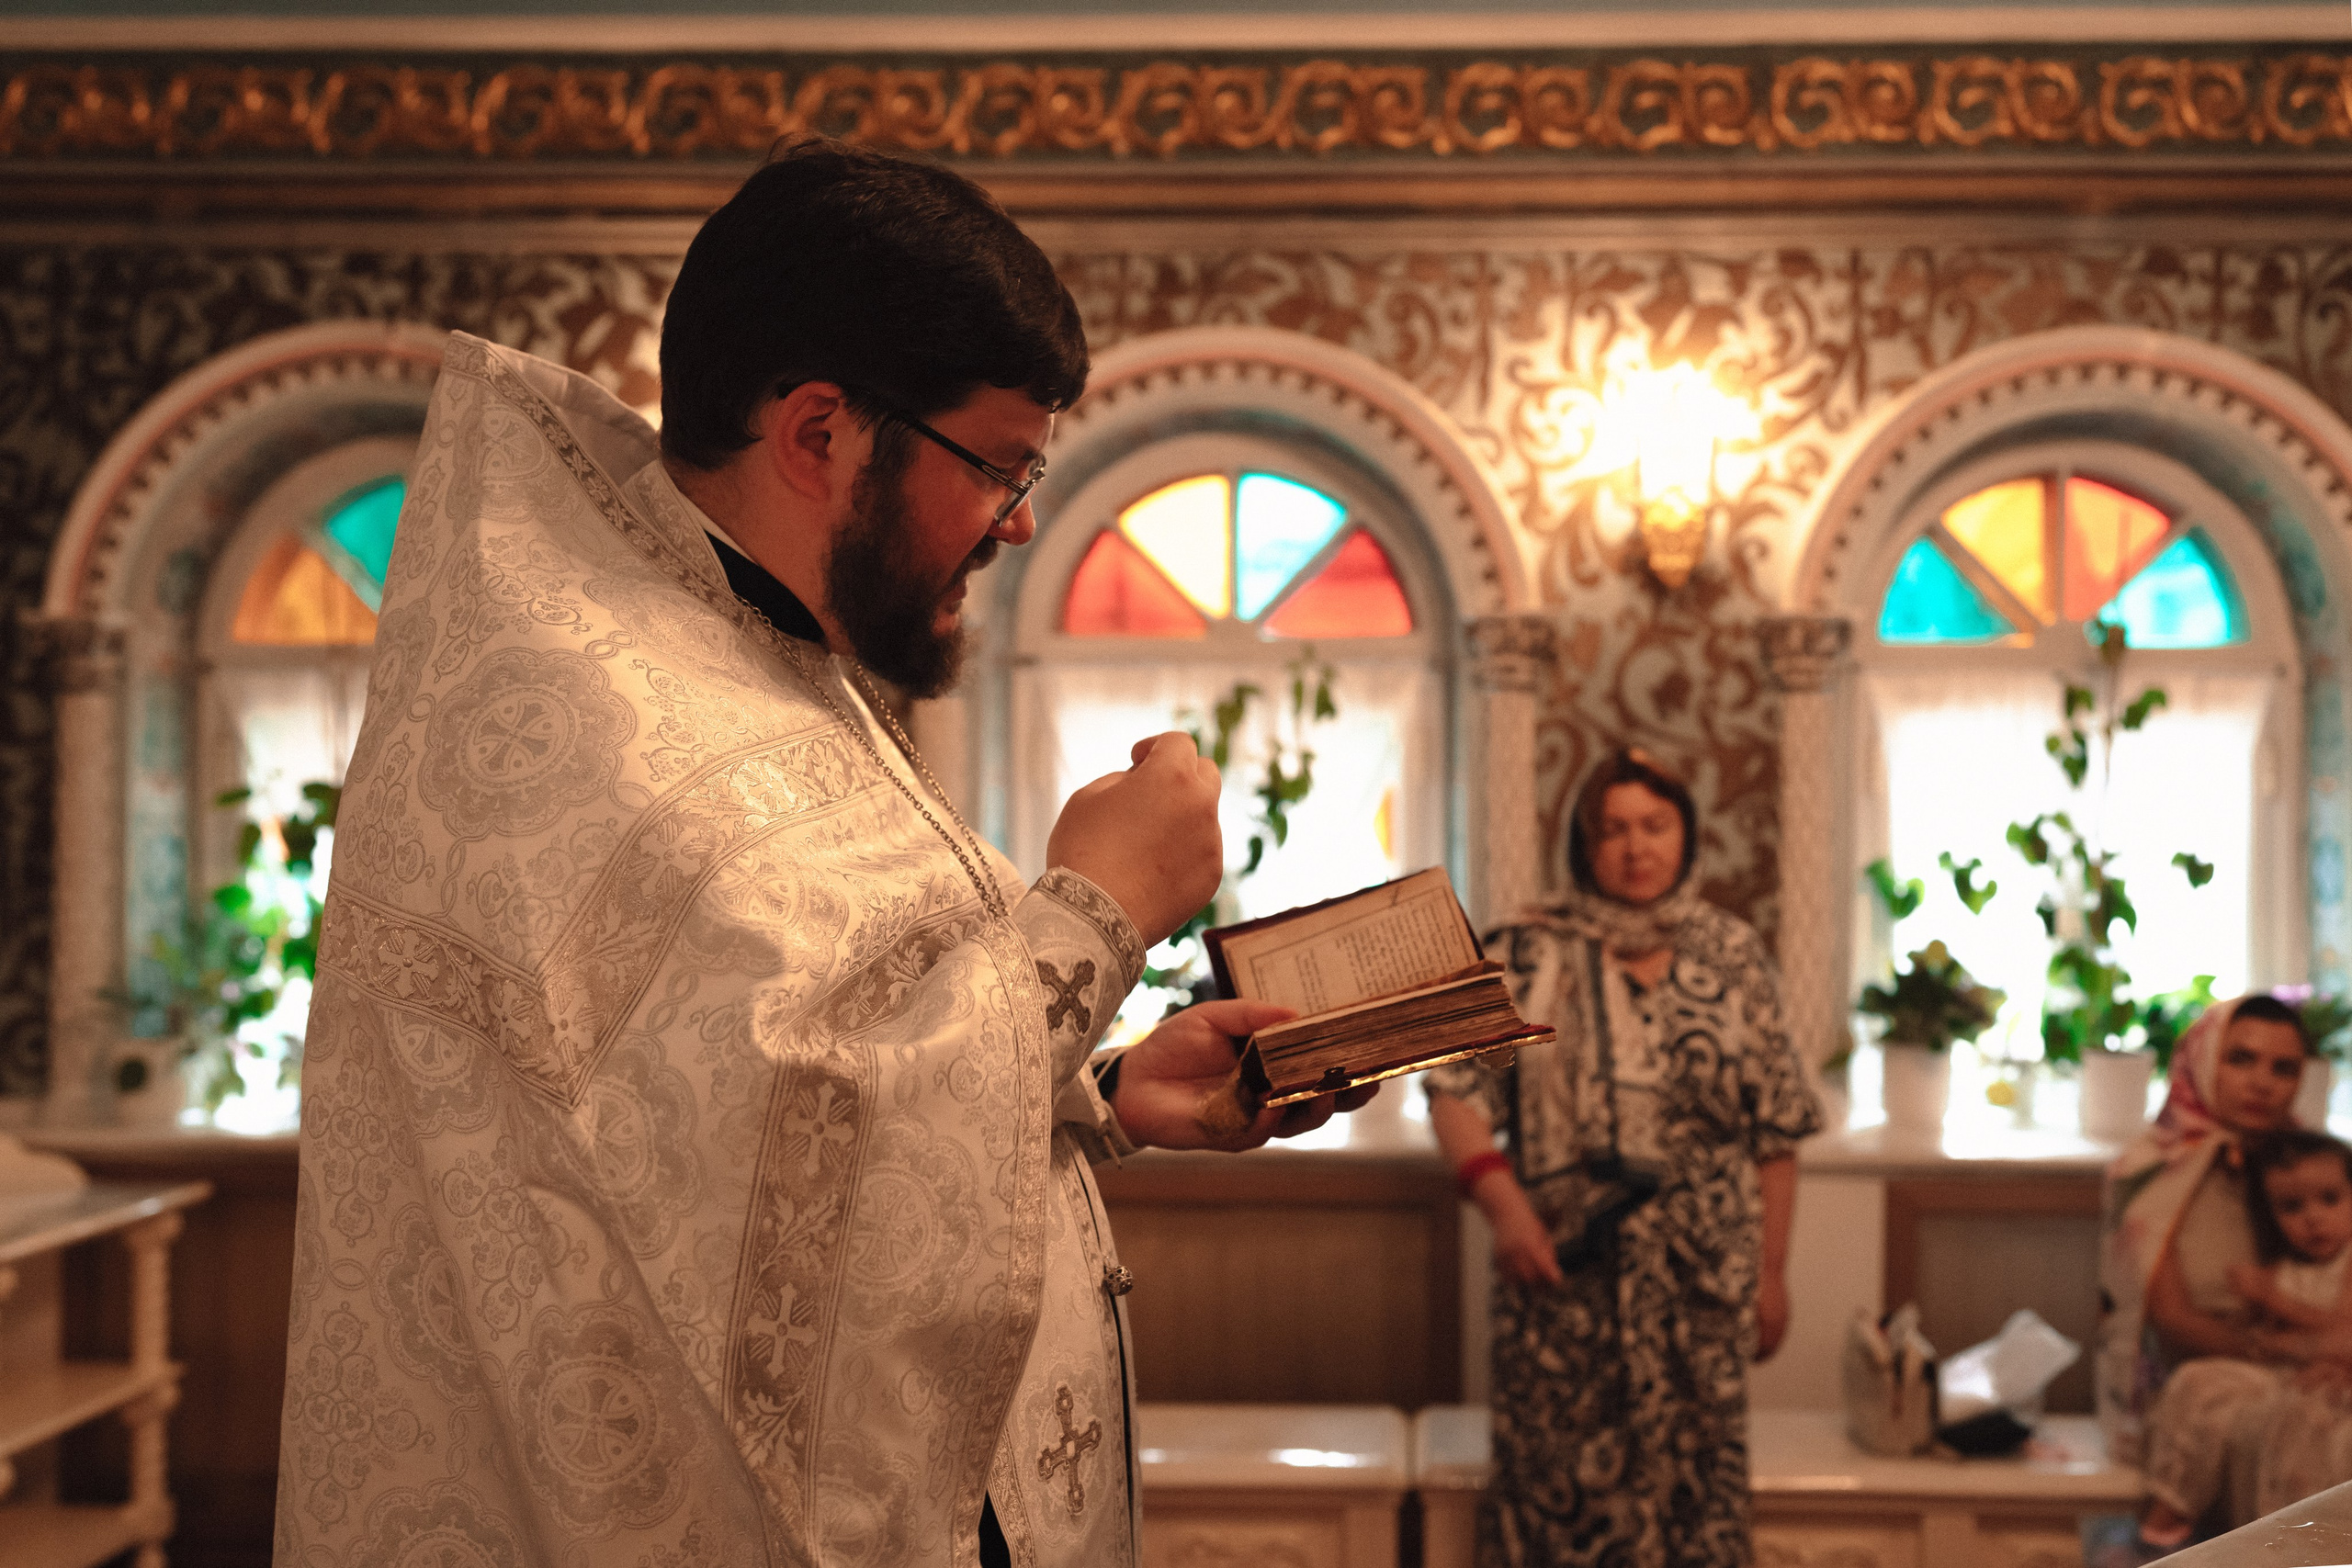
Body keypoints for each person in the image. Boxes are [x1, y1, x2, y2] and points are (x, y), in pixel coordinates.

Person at [273, 138, 1367, 1567]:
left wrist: (1097, 1086)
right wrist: (1097, 911)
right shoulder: (602, 717)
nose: (1024, 518)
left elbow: (752, 1116)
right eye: (1000, 465)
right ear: (819, 433)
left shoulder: (753, 667)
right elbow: (792, 1167)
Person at [1425, 747, 1822, 1568]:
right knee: (1561, 1512)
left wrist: (1771, 1275)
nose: (1636, 847)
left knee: (1694, 1512)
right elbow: (1454, 1090)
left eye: (1655, 825)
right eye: (1612, 830)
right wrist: (1504, 1207)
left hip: (1701, 1288)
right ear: (1581, 845)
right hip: (1562, 1291)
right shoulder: (1522, 952)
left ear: (1686, 833)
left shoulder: (1734, 954)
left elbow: (1776, 1130)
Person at [2139, 1128, 2352, 1547]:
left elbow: (2340, 1326)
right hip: (2284, 1373)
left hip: (2331, 1380)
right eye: (2292, 1206)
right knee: (2200, 1382)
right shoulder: (2285, 1267)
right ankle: (2170, 1512)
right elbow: (2267, 1340)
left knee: (2300, 1423)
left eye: (2330, 1199)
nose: (2313, 1217)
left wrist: (2271, 1297)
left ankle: (2287, 1544)